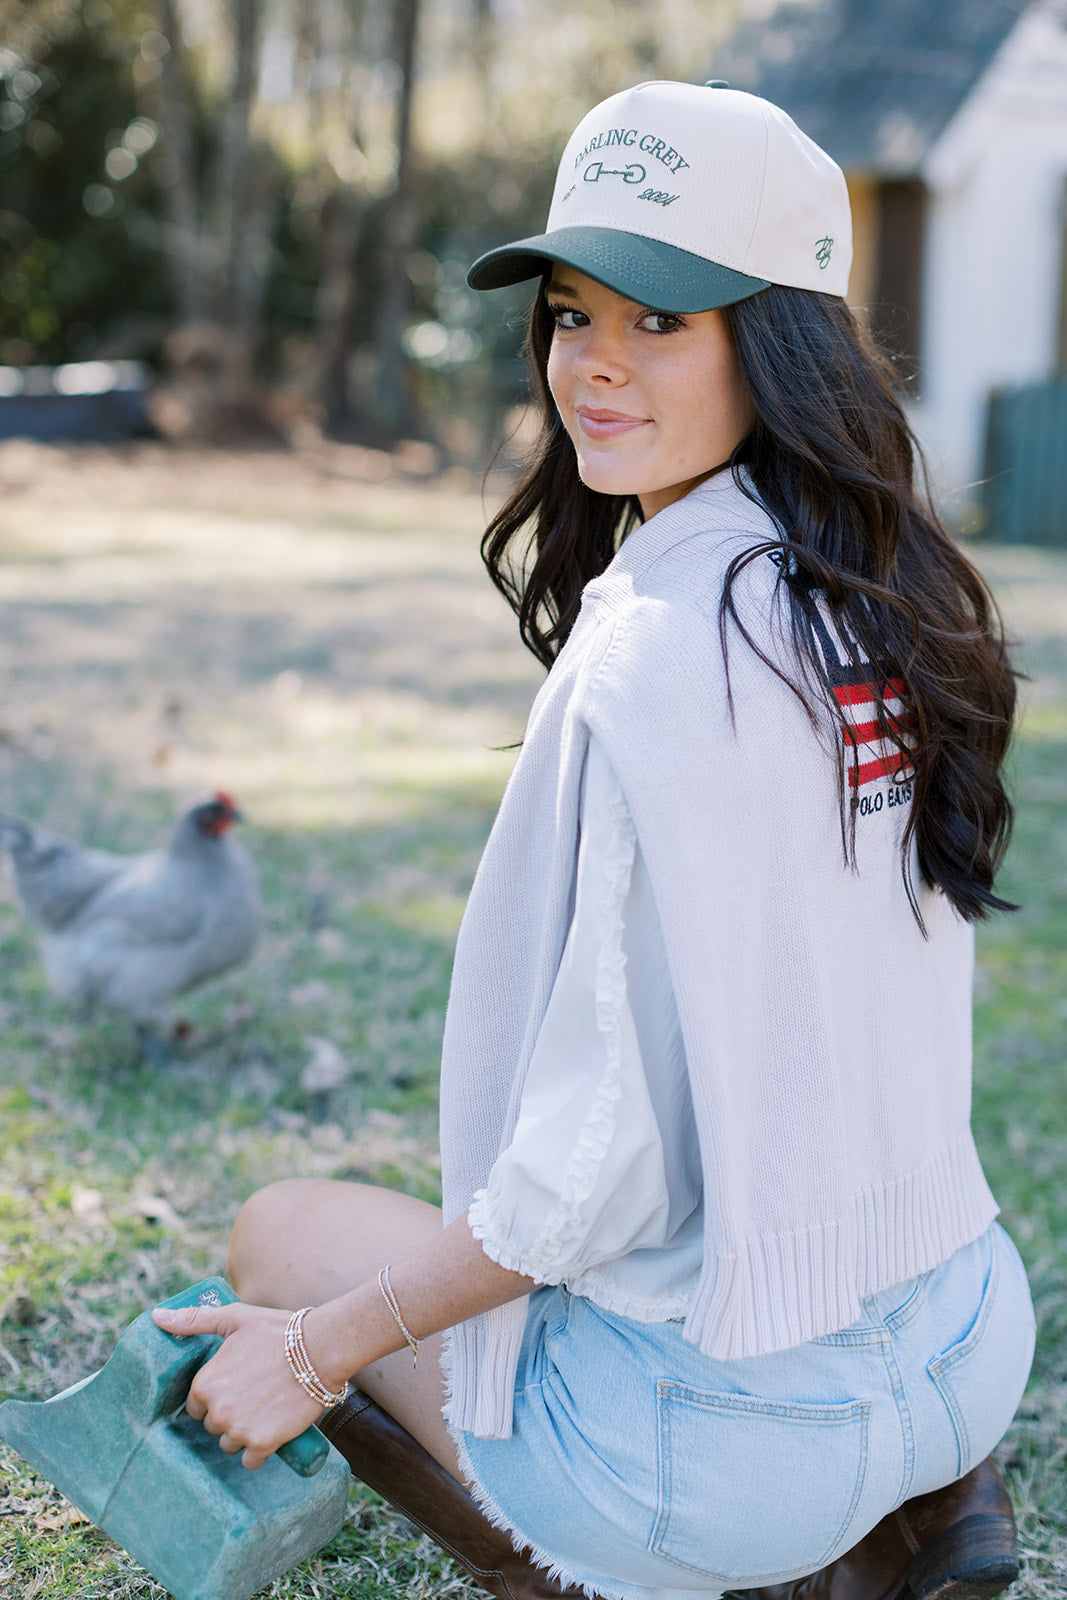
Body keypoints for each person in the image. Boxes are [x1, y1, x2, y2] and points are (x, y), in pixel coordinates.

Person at [152, 82, 1037, 1600]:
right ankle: (916, 1514)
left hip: (738, 1446)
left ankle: (744, 1566)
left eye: (661, 319)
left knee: (287, 1236)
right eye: (572, 314)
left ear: (782, 341)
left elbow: (587, 1176)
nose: (594, 364)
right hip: (963, 1345)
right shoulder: (882, 594)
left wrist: (315, 1350)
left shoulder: (657, 649)